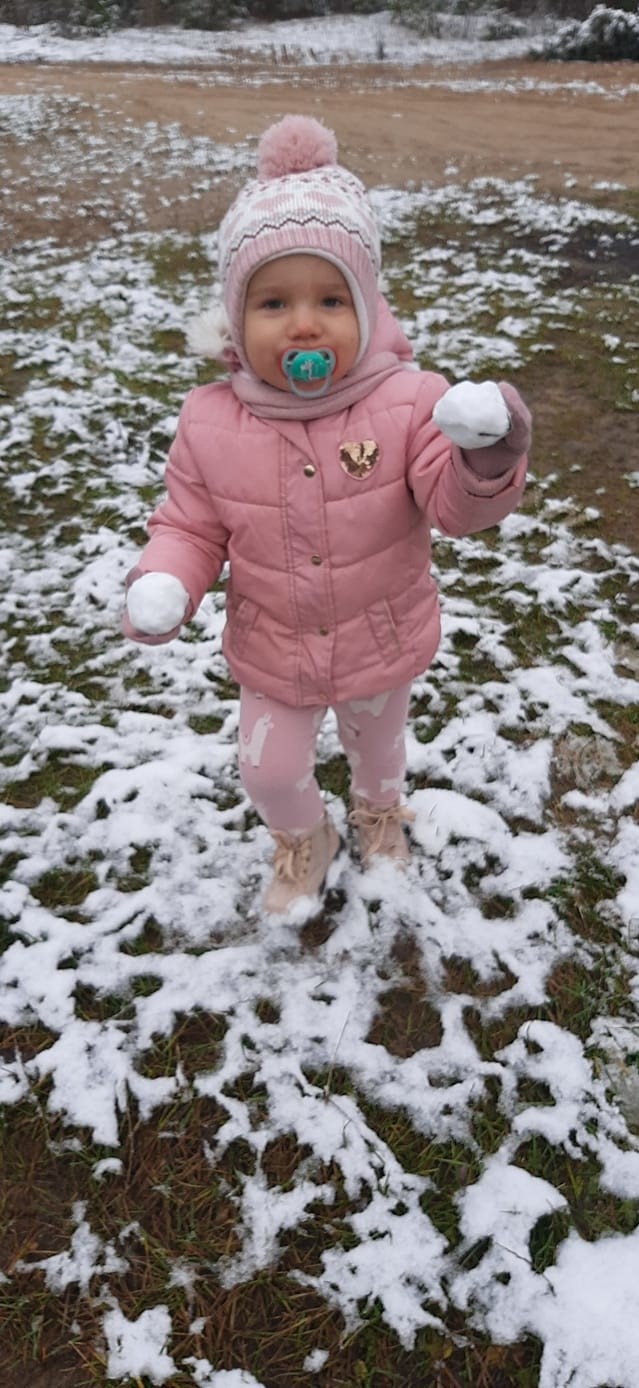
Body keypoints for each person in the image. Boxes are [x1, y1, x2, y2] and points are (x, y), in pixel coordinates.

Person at [122, 115, 531, 913]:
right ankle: (305, 838)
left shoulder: (413, 402)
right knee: (267, 770)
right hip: (274, 644)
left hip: (380, 635)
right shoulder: (209, 420)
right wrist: (166, 579)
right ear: (237, 322)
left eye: (330, 300)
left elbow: (454, 508)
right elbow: (189, 523)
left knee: (377, 749)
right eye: (274, 302)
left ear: (368, 309)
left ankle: (379, 816)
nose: (304, 324)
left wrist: (486, 454)